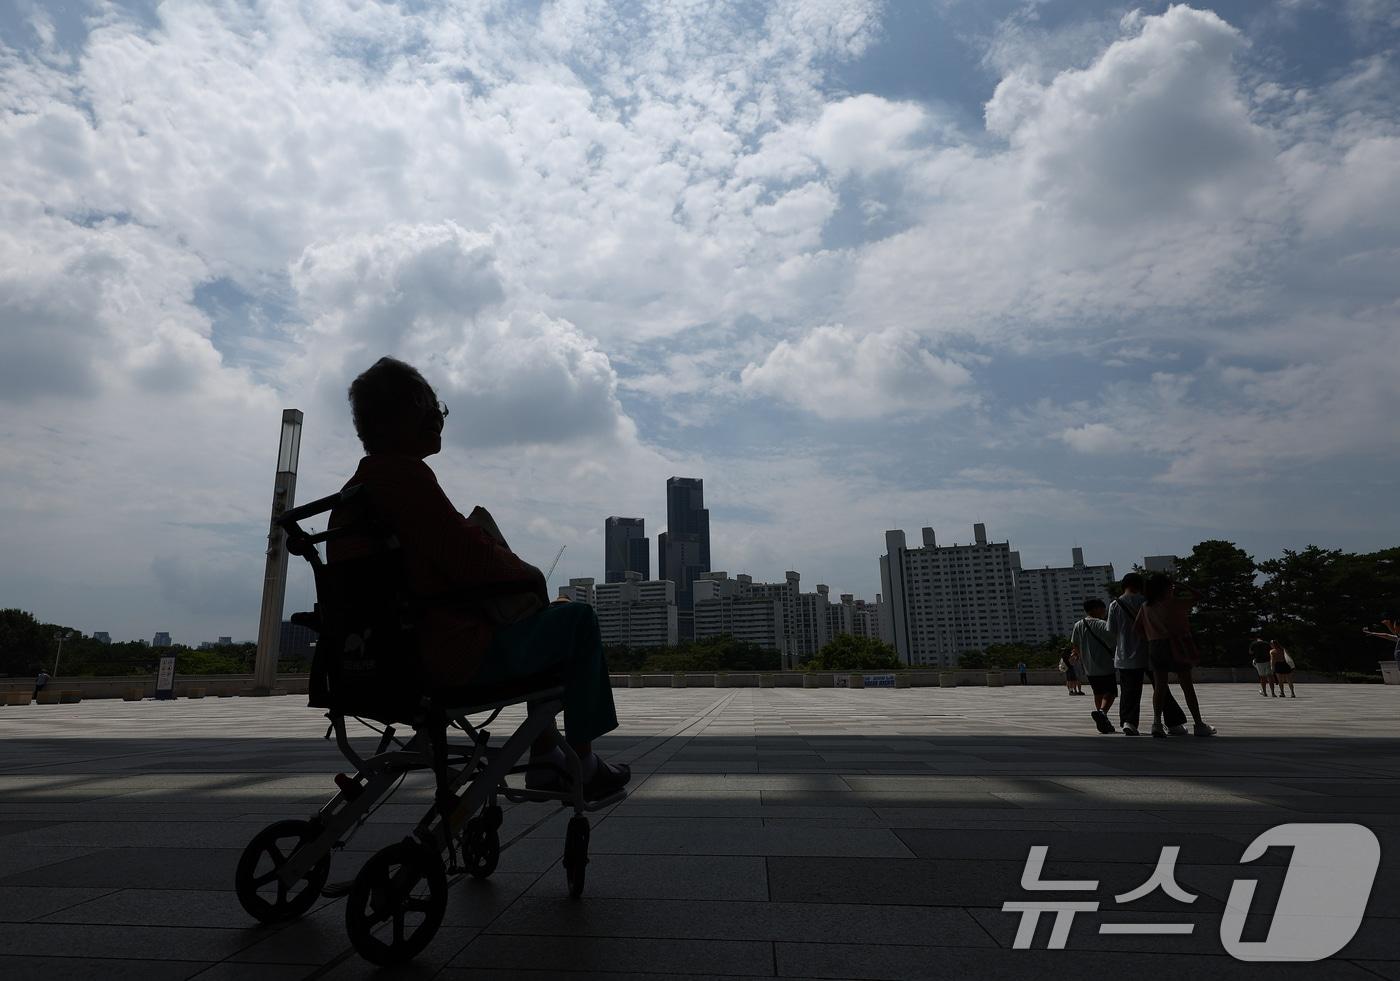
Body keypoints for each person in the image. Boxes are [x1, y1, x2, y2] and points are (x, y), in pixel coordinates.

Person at [328, 357, 629, 799]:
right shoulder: (404, 480)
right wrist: (527, 574)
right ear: (393, 417)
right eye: (424, 404)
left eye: (437, 406)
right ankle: (580, 761)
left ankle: (547, 755)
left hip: (382, 661)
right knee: (576, 619)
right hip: (445, 656)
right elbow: (471, 559)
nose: (436, 417)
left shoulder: (354, 494)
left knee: (557, 619)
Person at [1107, 573, 1186, 736]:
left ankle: (1129, 723)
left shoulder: (1114, 605)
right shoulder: (1147, 602)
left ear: (1124, 585)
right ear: (1140, 586)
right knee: (1161, 688)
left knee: (1129, 691)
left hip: (1125, 654)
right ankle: (1174, 723)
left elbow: (1112, 630)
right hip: (1150, 652)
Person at [1136, 574, 1216, 738]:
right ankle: (1199, 724)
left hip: (1155, 645)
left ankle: (1157, 723)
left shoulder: (1146, 606)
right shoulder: (1173, 603)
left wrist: (1150, 637)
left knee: (1160, 687)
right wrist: (1182, 585)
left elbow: (1137, 628)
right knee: (1187, 685)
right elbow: (1199, 596)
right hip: (1176, 644)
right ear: (1166, 588)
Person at [1069, 598, 1117, 733]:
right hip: (1105, 664)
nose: (1104, 611)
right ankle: (1102, 713)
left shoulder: (1078, 624)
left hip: (1089, 667)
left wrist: (1081, 657)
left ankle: (1102, 717)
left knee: (1098, 692)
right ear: (1096, 609)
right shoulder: (1102, 624)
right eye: (1102, 609)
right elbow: (1114, 642)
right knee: (1110, 692)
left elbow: (1075, 645)